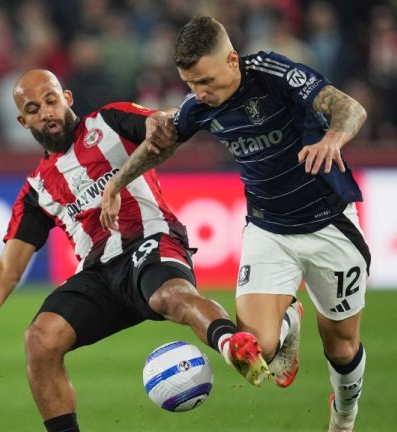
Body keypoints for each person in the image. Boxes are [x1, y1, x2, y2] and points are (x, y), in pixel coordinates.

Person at [0, 69, 270, 432]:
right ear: (22, 121)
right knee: (40, 339)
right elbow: (7, 270)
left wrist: (159, 121)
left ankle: (234, 345)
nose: (46, 112)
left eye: (50, 100)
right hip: (99, 273)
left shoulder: (108, 122)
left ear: (67, 99)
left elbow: (161, 122)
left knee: (169, 296)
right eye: (33, 109)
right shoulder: (37, 190)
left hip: (150, 241)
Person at [100, 16, 369, 432]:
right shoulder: (200, 104)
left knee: (342, 347)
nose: (199, 93)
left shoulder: (273, 73)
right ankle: (287, 318)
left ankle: (344, 418)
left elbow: (349, 107)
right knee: (253, 353)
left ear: (231, 59)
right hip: (267, 230)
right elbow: (162, 145)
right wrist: (117, 183)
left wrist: (333, 138)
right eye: (190, 84)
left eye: (205, 81)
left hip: (329, 224)